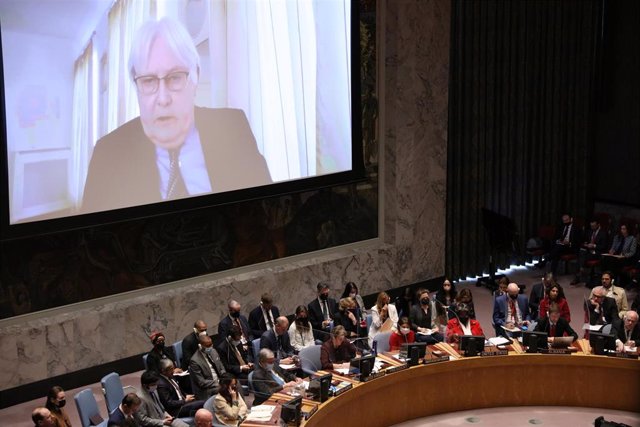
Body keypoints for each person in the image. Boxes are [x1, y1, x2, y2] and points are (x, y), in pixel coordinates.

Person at [82, 17, 271, 213]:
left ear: (195, 77)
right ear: (136, 86)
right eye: (148, 81)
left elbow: (268, 212)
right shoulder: (108, 153)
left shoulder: (233, 127)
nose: (163, 98)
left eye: (174, 78)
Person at [189, 335, 227, 400]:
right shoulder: (195, 361)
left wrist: (225, 376)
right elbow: (202, 382)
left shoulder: (213, 351)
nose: (210, 347)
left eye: (211, 345)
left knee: (235, 383)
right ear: (200, 346)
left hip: (220, 381)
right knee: (225, 389)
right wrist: (217, 382)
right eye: (207, 346)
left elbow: (221, 366)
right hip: (207, 389)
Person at [572, 218, 608, 285]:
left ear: (598, 225)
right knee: (580, 253)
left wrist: (594, 246)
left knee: (582, 257)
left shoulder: (603, 233)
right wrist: (586, 244)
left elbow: (604, 246)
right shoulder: (590, 231)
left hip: (597, 253)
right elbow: (585, 241)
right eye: (591, 226)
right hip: (588, 251)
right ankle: (580, 271)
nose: (592, 228)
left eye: (594, 226)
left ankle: (579, 274)